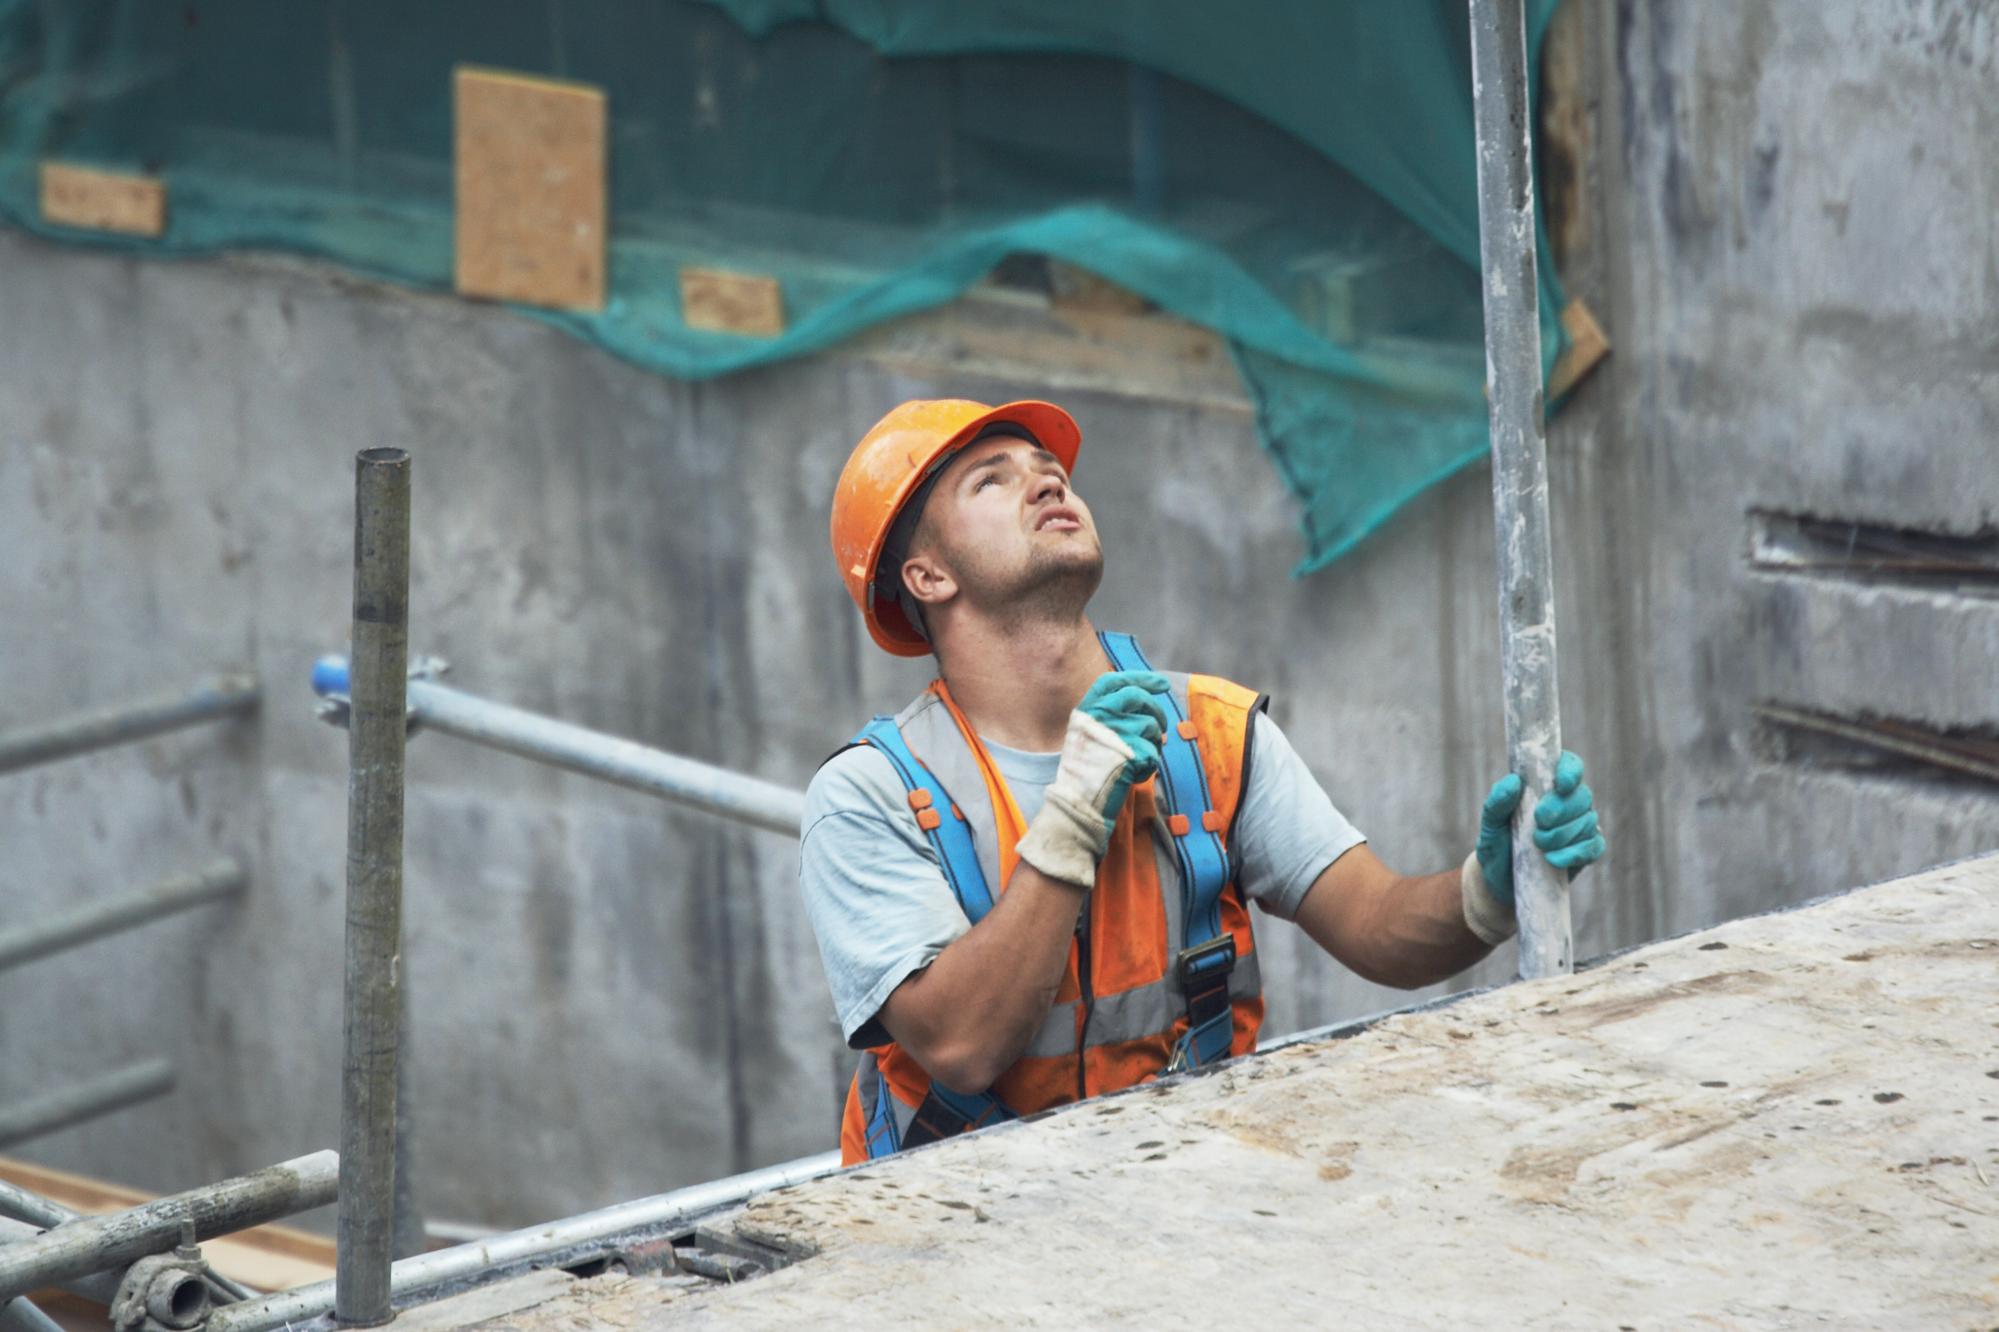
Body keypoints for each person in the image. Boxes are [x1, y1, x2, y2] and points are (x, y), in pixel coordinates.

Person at [804, 398, 1605, 1164]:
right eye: (992, 479)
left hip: (1180, 1193)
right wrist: (1074, 813)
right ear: (928, 577)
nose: (1046, 480)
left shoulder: (1207, 734)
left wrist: (1488, 893)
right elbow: (959, 1046)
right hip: (952, 1234)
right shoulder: (869, 796)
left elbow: (1376, 926)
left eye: (1048, 467)